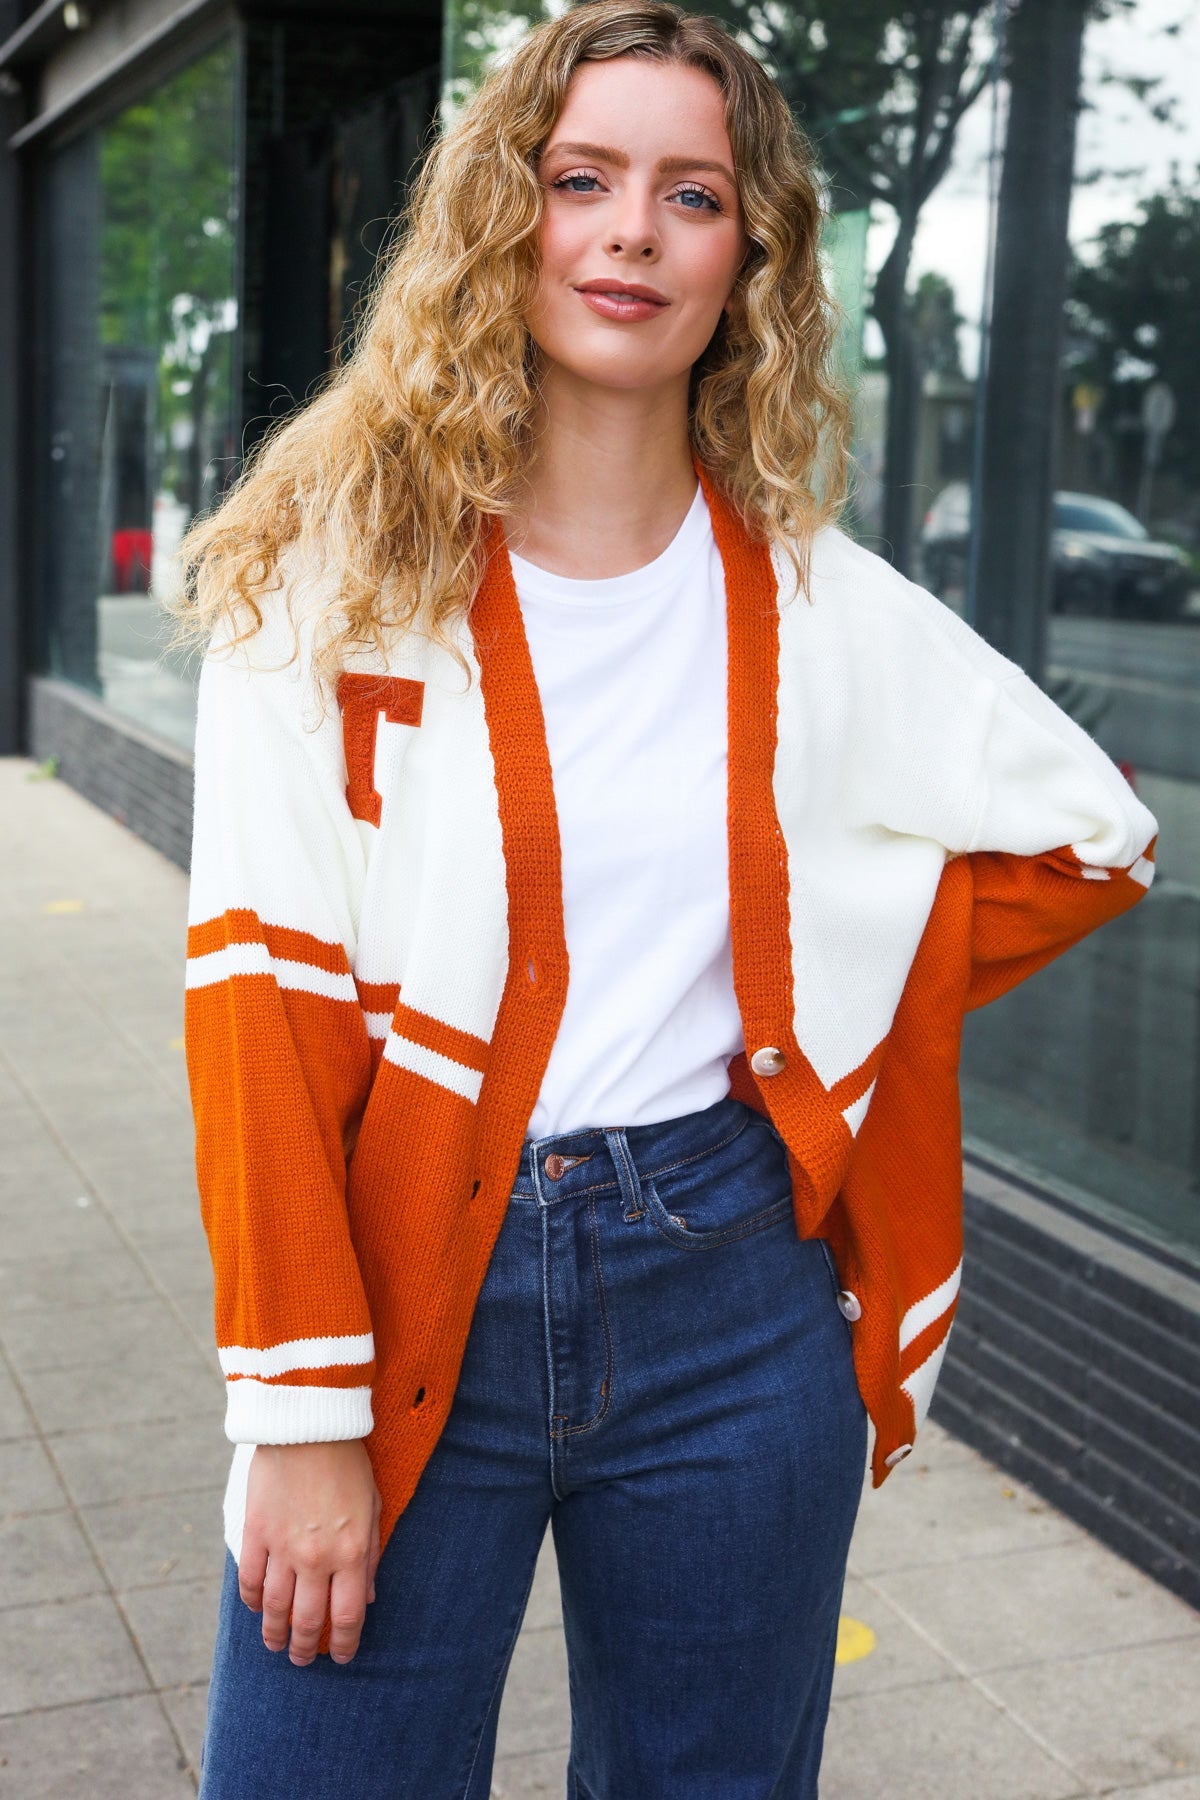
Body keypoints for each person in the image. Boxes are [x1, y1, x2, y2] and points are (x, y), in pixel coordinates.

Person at [170, 2, 1160, 1794]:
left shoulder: (818, 602)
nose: (633, 229)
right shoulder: (328, 580)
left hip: (729, 1290)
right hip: (409, 1288)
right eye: (583, 178)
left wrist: (843, 1007)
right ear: (503, 218)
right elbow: (261, 1000)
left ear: (746, 260)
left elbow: (1090, 836)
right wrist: (297, 1415)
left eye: (692, 194)